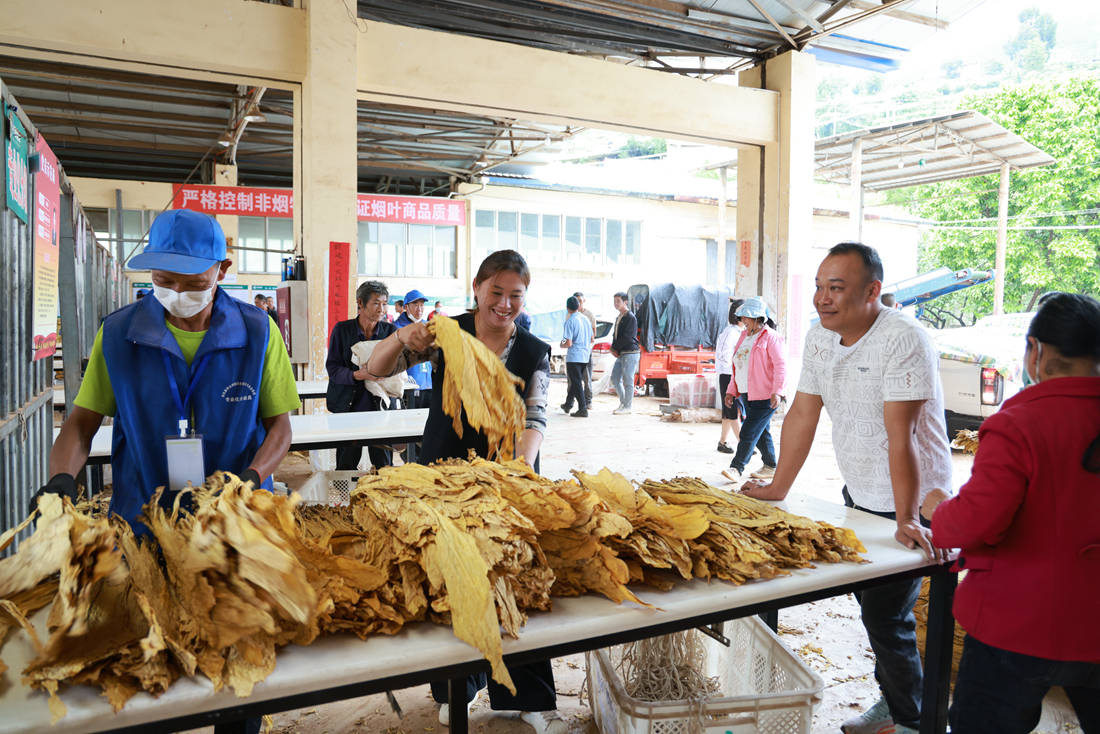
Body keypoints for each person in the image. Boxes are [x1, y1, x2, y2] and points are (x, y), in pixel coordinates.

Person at [35, 209, 300, 734]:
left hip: (232, 528)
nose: (178, 293)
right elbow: (80, 426)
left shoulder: (257, 332)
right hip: (142, 527)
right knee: (146, 672)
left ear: (222, 269)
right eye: (163, 282)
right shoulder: (119, 335)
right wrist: (60, 481)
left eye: (194, 282)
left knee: (236, 669)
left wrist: (249, 479)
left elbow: (281, 430)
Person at [738, 243, 951, 734]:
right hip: (860, 495)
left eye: (836, 288)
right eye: (818, 286)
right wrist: (778, 486)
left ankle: (914, 719)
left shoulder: (903, 338)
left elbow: (902, 437)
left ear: (872, 291)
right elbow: (803, 413)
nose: (821, 298)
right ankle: (897, 703)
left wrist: (909, 518)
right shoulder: (819, 339)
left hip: (916, 498)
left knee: (887, 618)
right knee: (875, 610)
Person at [365, 250, 564, 734]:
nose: (504, 303)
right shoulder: (447, 333)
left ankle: (530, 697)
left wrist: (515, 470)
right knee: (448, 579)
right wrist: (401, 336)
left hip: (505, 476)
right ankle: (456, 688)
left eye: (515, 295)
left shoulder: (534, 350)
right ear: (477, 288)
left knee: (516, 578)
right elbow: (375, 367)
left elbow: (534, 418)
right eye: (495, 292)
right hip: (440, 473)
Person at [920, 292, 1100, 734]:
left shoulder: (1020, 422)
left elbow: (979, 520)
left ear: (1036, 352)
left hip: (1018, 624)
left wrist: (939, 510)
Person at [324, 281, 397, 471]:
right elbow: (333, 368)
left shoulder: (391, 332)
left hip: (380, 408)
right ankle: (346, 499)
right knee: (346, 464)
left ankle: (382, 499)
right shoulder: (342, 330)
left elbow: (399, 365)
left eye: (384, 303)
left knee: (383, 464)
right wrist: (358, 375)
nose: (381, 309)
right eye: (376, 303)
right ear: (360, 303)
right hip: (349, 408)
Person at [720, 296, 785, 482]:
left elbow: (781, 366)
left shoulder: (771, 337)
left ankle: (736, 468)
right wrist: (731, 390)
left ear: (757, 318)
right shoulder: (744, 336)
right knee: (761, 431)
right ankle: (771, 466)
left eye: (746, 318)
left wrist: (778, 391)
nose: (743, 321)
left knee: (748, 431)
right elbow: (738, 365)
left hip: (766, 395)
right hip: (746, 393)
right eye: (742, 318)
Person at [715, 298, 745, 453]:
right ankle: (744, 444)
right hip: (728, 375)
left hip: (733, 375)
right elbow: (724, 356)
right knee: (732, 410)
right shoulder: (731, 332)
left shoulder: (739, 332)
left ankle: (722, 442)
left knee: (729, 411)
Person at [560, 296, 593, 418]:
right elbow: (591, 338)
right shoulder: (585, 319)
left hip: (574, 356)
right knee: (576, 381)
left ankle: (582, 408)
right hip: (585, 355)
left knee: (576, 381)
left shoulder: (570, 321)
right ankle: (568, 404)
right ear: (578, 306)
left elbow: (568, 342)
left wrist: (561, 344)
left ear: (567, 308)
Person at [609, 291, 640, 415]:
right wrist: (613, 347)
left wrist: (614, 348)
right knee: (615, 378)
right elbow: (616, 335)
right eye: (614, 301)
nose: (616, 304)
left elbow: (627, 337)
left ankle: (628, 406)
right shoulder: (619, 316)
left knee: (628, 380)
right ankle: (623, 402)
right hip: (622, 352)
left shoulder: (630, 317)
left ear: (625, 302)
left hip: (630, 352)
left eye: (618, 301)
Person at [573, 291, 595, 409]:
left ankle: (588, 401)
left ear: (584, 301)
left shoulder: (589, 315)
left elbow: (593, 336)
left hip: (585, 352)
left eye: (580, 301)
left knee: (586, 378)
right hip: (574, 352)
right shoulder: (570, 315)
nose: (578, 304)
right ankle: (571, 402)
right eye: (576, 301)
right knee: (573, 379)